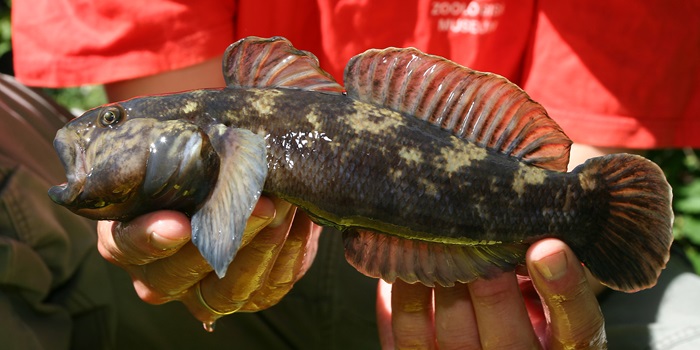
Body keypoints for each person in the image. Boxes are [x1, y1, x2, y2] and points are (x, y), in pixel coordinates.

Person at [9, 0, 700, 348]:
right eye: (111, 124)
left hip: (497, 290)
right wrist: (201, 241)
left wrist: (554, 274)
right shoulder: (211, 125)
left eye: (108, 128)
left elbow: (577, 143)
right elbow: (207, 224)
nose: (96, 134)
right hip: (247, 279)